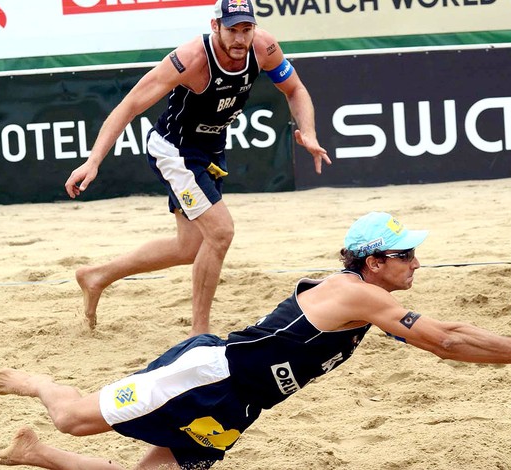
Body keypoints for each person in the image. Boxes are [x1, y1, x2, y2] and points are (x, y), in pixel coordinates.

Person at [0, 212, 511, 470]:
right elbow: (447, 339)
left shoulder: (370, 298)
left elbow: (447, 341)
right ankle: (39, 385)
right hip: (207, 375)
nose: (415, 262)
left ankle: (37, 455)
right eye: (404, 254)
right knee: (76, 418)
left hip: (242, 406)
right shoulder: (358, 295)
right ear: (370, 263)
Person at [63, 0, 331, 335]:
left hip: (210, 149)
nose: (239, 38)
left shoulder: (263, 47)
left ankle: (97, 275)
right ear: (215, 25)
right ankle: (199, 335)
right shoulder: (190, 59)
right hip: (174, 150)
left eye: (245, 29)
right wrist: (93, 160)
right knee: (220, 233)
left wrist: (308, 131)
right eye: (232, 29)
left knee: (190, 247)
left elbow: (295, 89)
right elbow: (130, 105)